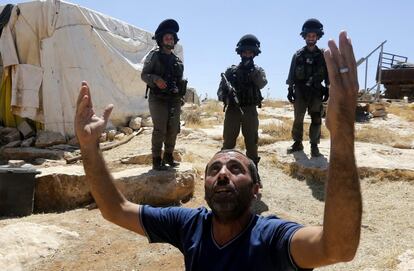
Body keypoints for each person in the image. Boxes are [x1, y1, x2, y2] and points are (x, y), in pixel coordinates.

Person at [75, 31, 361, 270]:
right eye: (215, 169)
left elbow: (338, 248)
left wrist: (342, 132)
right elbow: (115, 209)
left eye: (236, 169)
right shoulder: (190, 224)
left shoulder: (272, 238)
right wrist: (89, 148)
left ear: (256, 189)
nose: (223, 173)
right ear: (205, 187)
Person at [217, 34, 268, 186]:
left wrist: (253, 71)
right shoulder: (230, 72)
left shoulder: (258, 71)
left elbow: (262, 83)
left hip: (250, 111)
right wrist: (228, 97)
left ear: (254, 54)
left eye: (250, 53)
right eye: (245, 52)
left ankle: (254, 176)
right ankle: (223, 174)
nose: (247, 55)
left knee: (252, 144)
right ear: (240, 53)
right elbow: (220, 93)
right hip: (233, 110)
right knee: (228, 144)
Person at [141, 19, 187, 170]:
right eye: (167, 38)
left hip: (173, 100)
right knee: (160, 129)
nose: (170, 40)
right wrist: (155, 79)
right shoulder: (154, 56)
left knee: (173, 129)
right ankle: (156, 160)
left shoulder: (177, 62)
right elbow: (144, 75)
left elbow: (179, 81)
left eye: (172, 38)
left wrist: (180, 95)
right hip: (158, 98)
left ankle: (168, 156)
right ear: (161, 40)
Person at [286, 18, 330, 157]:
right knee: (298, 118)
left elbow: (328, 73)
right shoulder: (298, 55)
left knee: (316, 118)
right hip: (300, 91)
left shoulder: (323, 55)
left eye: (314, 36)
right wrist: (290, 89)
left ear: (317, 37)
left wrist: (328, 88)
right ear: (305, 37)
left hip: (316, 91)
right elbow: (292, 72)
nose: (311, 38)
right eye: (309, 36)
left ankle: (314, 145)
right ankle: (297, 143)